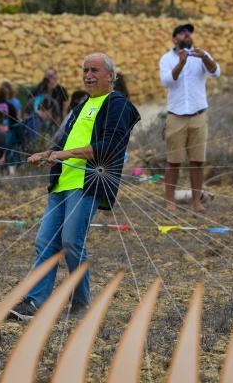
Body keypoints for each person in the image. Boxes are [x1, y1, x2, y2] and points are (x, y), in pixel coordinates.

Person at [11, 53, 141, 320]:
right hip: (62, 182)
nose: (88, 75)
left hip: (88, 183)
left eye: (94, 70)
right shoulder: (82, 106)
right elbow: (65, 144)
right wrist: (48, 154)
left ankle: (81, 305)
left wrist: (63, 155)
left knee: (71, 242)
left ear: (110, 76)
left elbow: (110, 148)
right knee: (45, 241)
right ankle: (35, 302)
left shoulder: (118, 105)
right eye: (85, 70)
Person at [159, 23, 220, 214]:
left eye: (189, 33)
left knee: (197, 161)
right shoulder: (167, 58)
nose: (187, 36)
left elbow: (216, 72)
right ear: (174, 39)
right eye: (183, 34)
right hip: (176, 115)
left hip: (198, 115)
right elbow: (167, 81)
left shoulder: (201, 55)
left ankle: (196, 201)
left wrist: (205, 57)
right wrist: (181, 63)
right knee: (173, 161)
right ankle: (170, 202)